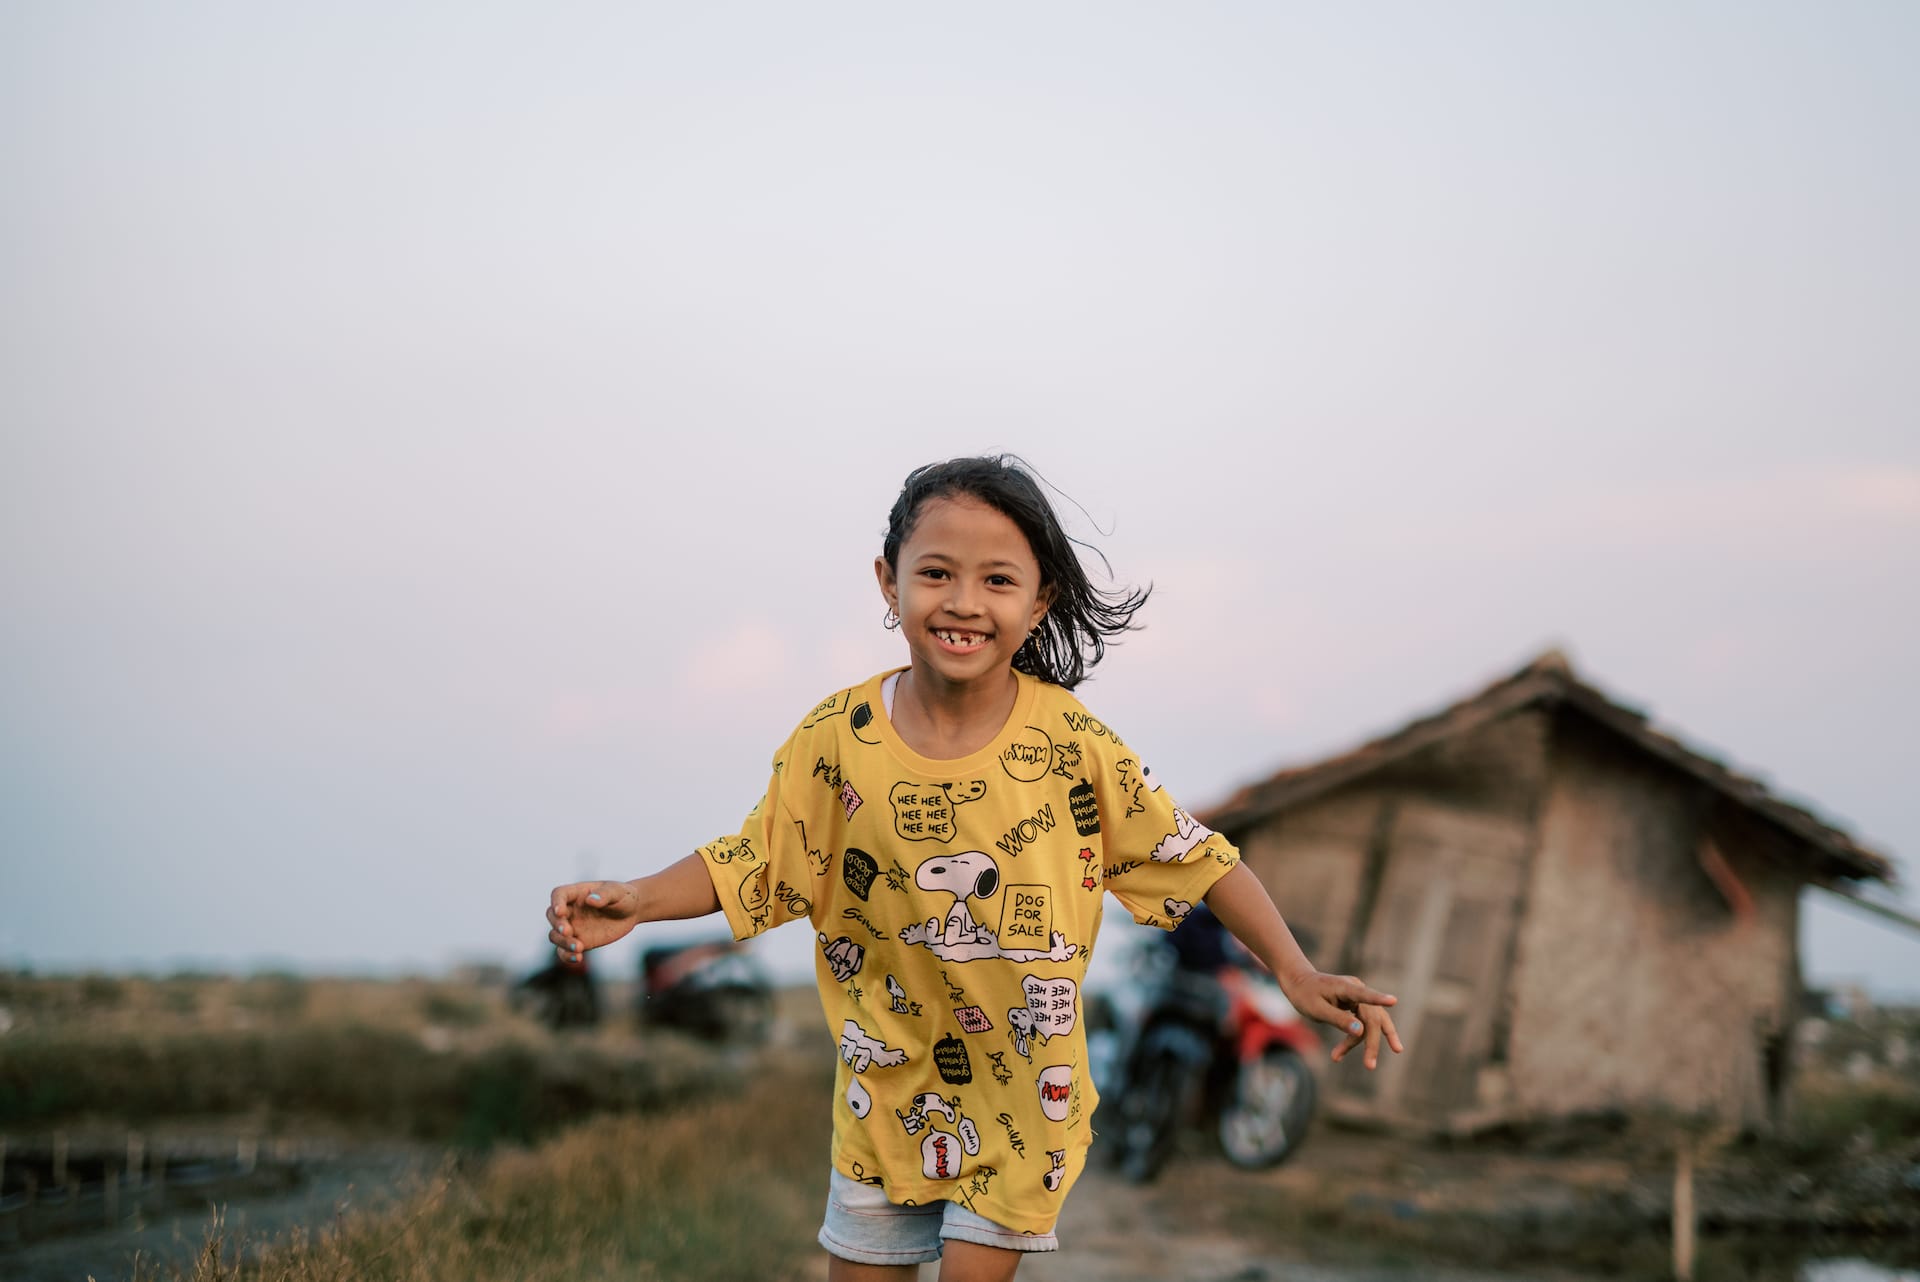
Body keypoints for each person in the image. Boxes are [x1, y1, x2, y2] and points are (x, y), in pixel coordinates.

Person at [547, 455, 1403, 1282]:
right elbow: (758, 861)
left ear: (1039, 601)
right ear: (889, 583)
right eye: (936, 574)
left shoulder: (1072, 746)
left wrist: (1293, 970)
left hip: (1028, 1101)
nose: (964, 602)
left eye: (998, 579)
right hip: (882, 1096)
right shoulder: (837, 739)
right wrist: (641, 900)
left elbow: (1199, 859)